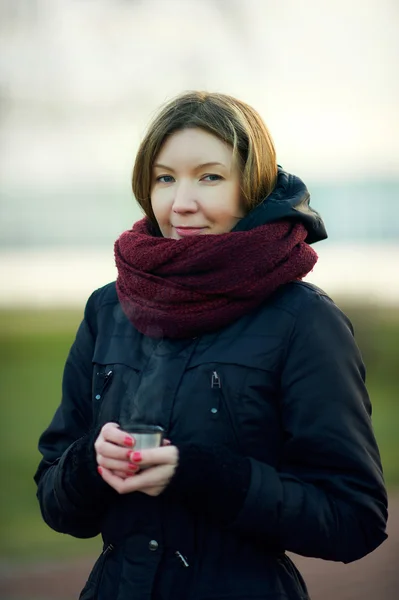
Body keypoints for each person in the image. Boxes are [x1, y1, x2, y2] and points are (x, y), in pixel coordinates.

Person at [34, 91, 388, 600]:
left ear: (252, 187)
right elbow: (55, 501)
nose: (181, 202)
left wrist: (204, 475)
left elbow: (353, 519)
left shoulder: (305, 320)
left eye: (210, 176)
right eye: (164, 177)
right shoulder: (107, 308)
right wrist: (91, 463)